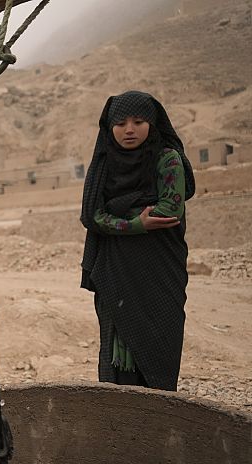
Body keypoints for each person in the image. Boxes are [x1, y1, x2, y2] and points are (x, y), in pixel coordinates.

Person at [80, 90, 196, 391]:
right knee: (116, 346)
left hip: (159, 266)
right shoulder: (105, 165)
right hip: (115, 269)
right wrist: (137, 222)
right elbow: (92, 216)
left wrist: (116, 219)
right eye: (120, 123)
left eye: (138, 121)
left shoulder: (167, 159)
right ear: (109, 127)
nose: (129, 130)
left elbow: (171, 208)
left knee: (160, 338)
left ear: (153, 123)